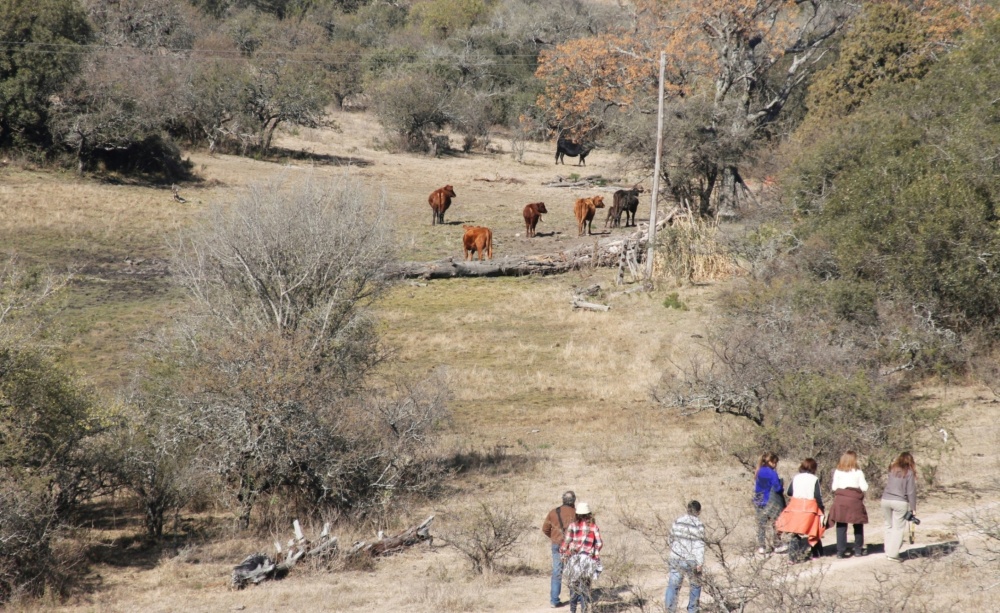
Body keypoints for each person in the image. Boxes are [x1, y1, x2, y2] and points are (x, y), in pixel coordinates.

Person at [774, 458, 826, 563]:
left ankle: (792, 558)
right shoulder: (814, 479)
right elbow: (818, 496)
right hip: (810, 507)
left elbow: (789, 492)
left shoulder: (796, 477)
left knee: (795, 532)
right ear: (813, 468)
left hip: (795, 506)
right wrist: (821, 510)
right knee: (813, 531)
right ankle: (816, 554)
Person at [560, 502, 602, 613]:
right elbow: (599, 543)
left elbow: (566, 542)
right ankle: (584, 610)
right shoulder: (594, 527)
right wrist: (595, 554)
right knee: (585, 587)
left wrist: (563, 553)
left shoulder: (572, 526)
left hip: (574, 559)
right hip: (588, 560)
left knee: (573, 586)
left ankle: (572, 610)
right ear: (589, 514)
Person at [665, 500, 705, 613]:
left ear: (687, 509)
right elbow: (699, 545)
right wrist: (700, 562)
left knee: (673, 586)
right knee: (695, 585)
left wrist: (675, 550)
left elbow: (670, 539)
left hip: (676, 558)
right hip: (691, 560)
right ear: (699, 512)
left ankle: (669, 610)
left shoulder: (677, 521)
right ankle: (692, 609)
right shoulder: (699, 525)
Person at [828, 450, 869, 558]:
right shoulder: (858, 472)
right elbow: (865, 487)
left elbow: (834, 487)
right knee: (858, 524)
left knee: (841, 525)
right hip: (854, 500)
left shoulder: (838, 471)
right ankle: (858, 550)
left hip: (840, 500)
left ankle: (840, 551)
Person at [542, 491, 577, 607]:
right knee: (574, 572)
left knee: (557, 572)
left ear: (562, 500)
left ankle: (554, 601)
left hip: (556, 545)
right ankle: (574, 599)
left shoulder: (553, 512)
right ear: (574, 500)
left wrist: (554, 538)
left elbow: (545, 529)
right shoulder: (576, 513)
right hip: (572, 546)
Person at [881, 452, 917, 562]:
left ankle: (888, 551)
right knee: (898, 528)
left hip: (885, 500)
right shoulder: (909, 473)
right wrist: (913, 507)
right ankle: (893, 554)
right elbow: (910, 491)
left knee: (888, 525)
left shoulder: (892, 469)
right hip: (900, 502)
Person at [753, 452, 787, 554]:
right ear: (770, 462)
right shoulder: (772, 473)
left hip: (759, 499)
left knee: (761, 524)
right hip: (770, 500)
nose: (775, 465)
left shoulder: (759, 471)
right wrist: (782, 488)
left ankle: (761, 546)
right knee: (776, 522)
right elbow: (777, 488)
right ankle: (777, 544)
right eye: (775, 462)